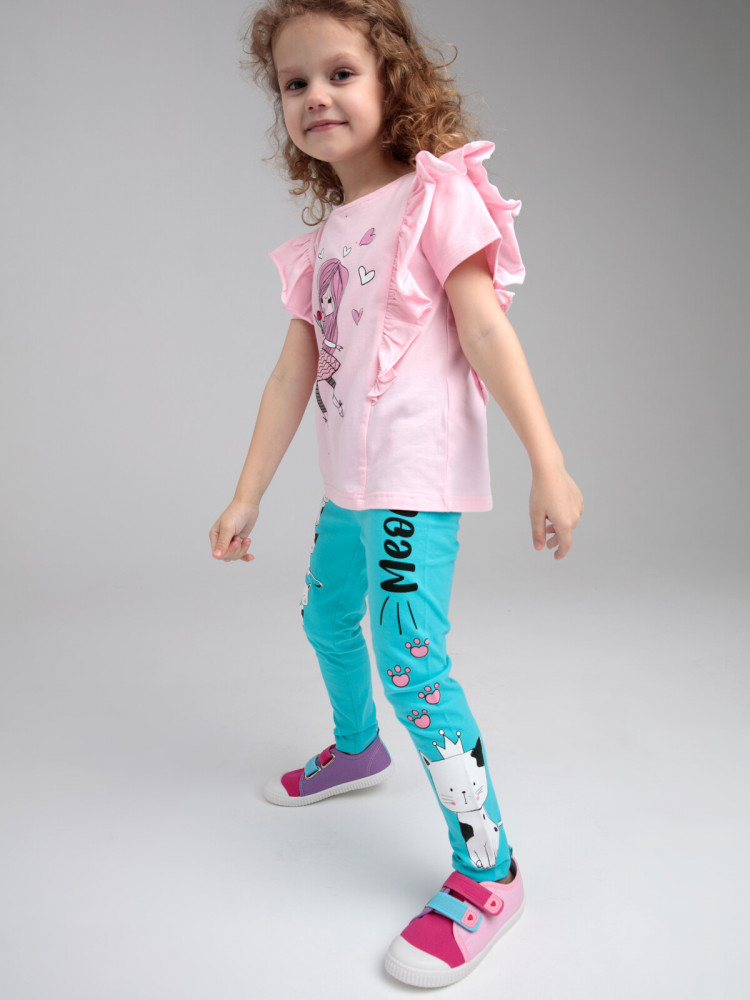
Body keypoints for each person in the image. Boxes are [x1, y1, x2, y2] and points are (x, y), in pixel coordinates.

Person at [209, 0, 583, 988]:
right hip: (351, 484)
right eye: (294, 83)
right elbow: (290, 375)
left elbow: (487, 329)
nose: (315, 96)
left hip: (415, 483)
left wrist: (548, 460)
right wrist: (248, 493)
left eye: (340, 73)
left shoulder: (436, 197)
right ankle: (357, 750)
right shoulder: (327, 238)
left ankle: (489, 872)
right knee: (326, 617)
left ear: (393, 81)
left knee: (411, 661)